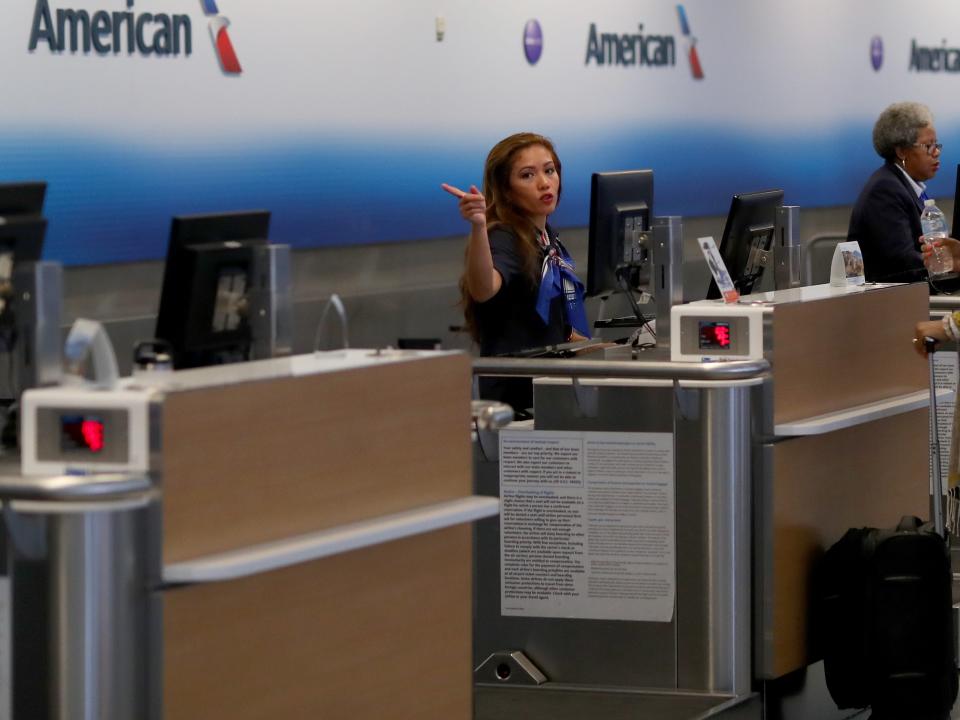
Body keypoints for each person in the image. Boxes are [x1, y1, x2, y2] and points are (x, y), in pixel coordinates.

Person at [442, 132, 589, 415]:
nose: (545, 183)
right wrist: (478, 226)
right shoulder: (503, 237)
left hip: (547, 388)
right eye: (527, 175)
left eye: (549, 171)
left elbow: (555, 326)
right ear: (506, 189)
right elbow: (484, 288)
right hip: (516, 400)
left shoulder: (547, 238)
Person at [847, 101, 944, 284]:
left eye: (937, 144)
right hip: (883, 304)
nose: (936, 152)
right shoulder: (884, 191)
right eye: (928, 145)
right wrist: (947, 263)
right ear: (901, 151)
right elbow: (903, 263)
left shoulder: (905, 186)